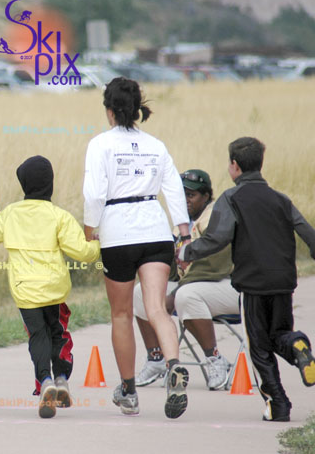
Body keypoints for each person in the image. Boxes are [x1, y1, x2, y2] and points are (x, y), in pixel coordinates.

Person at [179, 137, 315, 421]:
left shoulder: (231, 198)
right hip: (283, 282)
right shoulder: (281, 199)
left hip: (253, 283)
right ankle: (297, 344)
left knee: (259, 347)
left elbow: (217, 238)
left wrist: (187, 251)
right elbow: (306, 230)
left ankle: (278, 406)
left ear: (234, 166)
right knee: (279, 334)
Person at [82, 77, 191, 419]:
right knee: (157, 308)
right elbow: (174, 189)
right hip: (156, 231)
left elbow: (94, 193)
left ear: (110, 111)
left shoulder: (100, 144)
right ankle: (173, 365)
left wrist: (89, 227)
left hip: (118, 233)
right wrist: (184, 233)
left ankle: (129, 391)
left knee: (122, 314)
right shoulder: (155, 145)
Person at [0, 155, 100, 418]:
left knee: (38, 336)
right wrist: (97, 244)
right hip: (54, 290)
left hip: (25, 292)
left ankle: (45, 382)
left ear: (23, 184)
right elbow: (83, 252)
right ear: (50, 184)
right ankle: (62, 379)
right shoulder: (59, 216)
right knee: (58, 334)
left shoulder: (10, 214)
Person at [133, 169, 237, 390]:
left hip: (226, 285)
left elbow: (214, 265)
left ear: (206, 196)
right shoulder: (181, 223)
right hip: (190, 286)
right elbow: (173, 271)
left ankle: (216, 359)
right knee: (142, 291)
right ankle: (156, 358)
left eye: (191, 195)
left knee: (186, 295)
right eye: (181, 195)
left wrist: (174, 292)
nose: (185, 200)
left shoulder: (215, 217)